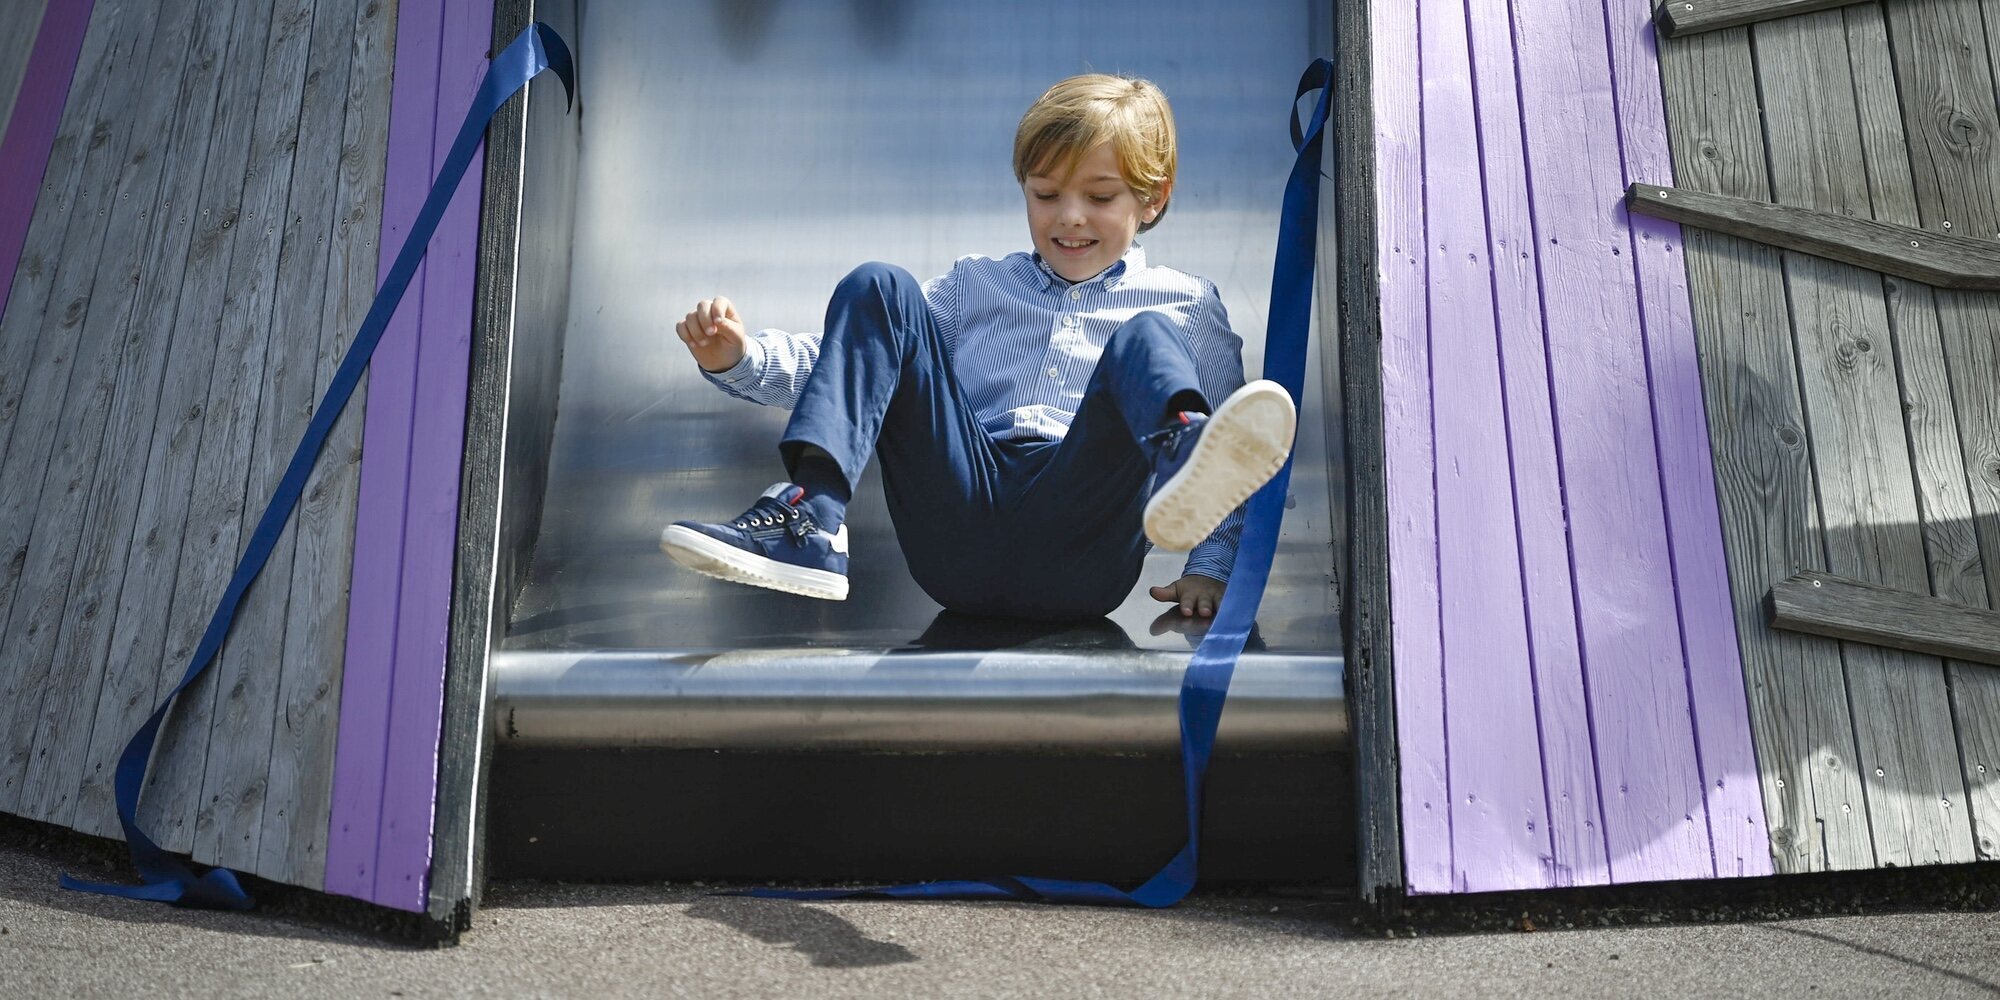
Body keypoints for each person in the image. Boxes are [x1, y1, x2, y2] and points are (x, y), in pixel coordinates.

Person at [661, 73, 1295, 622]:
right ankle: (813, 520)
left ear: (1152, 199)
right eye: (1046, 194)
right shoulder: (975, 287)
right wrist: (740, 360)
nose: (1069, 216)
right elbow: (855, 369)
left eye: (1099, 197)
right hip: (960, 519)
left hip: (1082, 539)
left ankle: (1178, 455)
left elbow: (1239, 450)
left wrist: (1213, 566)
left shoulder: (1186, 302)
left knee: (1146, 337)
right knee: (879, 286)